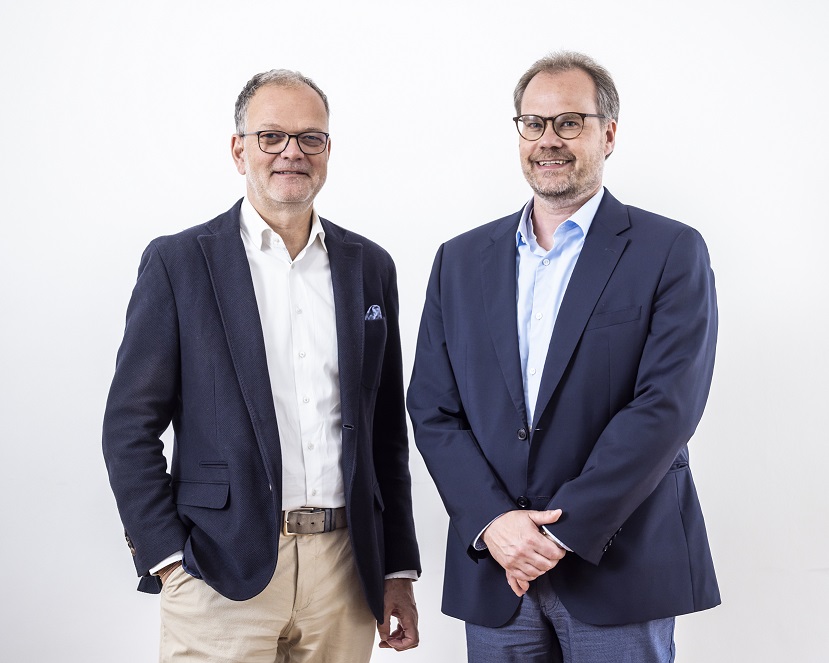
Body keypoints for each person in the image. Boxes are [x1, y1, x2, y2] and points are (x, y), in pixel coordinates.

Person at [407, 51, 719, 662]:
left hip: (620, 564)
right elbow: (434, 409)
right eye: (534, 123)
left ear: (609, 134)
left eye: (570, 123)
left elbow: (666, 407)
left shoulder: (669, 250)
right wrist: (493, 521)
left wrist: (561, 531)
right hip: (496, 570)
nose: (548, 140)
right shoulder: (459, 261)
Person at [103, 69, 420, 663]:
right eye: (271, 136)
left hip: (345, 570)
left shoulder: (369, 266)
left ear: (328, 150)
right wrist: (167, 557)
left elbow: (385, 432)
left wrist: (396, 569)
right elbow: (129, 425)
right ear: (238, 149)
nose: (292, 152)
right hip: (219, 568)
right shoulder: (179, 263)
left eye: (310, 138)